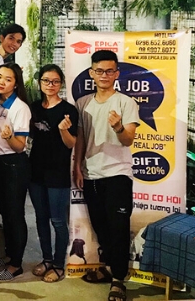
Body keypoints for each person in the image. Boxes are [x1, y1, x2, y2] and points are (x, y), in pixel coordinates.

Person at [74, 50, 139, 301]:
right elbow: (81, 138)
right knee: (101, 227)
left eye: (109, 71)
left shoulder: (126, 103)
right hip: (91, 175)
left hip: (117, 175)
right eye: (99, 71)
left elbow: (128, 139)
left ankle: (119, 280)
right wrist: (77, 166)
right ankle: (109, 268)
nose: (104, 75)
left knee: (118, 228)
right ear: (92, 73)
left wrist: (119, 127)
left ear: (117, 74)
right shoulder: (83, 103)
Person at [28, 64, 78, 284]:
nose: (50, 85)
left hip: (58, 173)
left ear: (61, 84)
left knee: (58, 220)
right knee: (41, 218)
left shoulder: (69, 110)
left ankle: (59, 264)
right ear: (40, 82)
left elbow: (71, 144)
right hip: (35, 172)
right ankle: (47, 259)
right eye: (46, 81)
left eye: (55, 81)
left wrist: (63, 130)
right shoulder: (33, 108)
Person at [0, 63, 32, 282]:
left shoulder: (20, 108)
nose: (1, 82)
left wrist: (9, 138)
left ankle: (16, 264)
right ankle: (8, 255)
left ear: (16, 84)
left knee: (15, 214)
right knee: (5, 213)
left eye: (8, 79)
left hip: (14, 164)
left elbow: (20, 146)